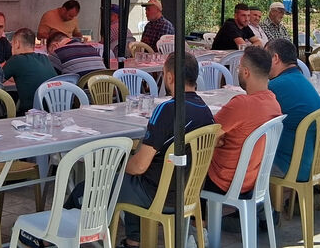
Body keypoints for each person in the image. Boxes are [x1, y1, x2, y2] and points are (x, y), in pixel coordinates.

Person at [113, 52, 215, 248]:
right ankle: (134, 240)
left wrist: (118, 166)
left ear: (169, 77)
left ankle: (60, 236)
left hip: (158, 194)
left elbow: (139, 166)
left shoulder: (168, 109)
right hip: (189, 192)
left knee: (94, 186)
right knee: (132, 177)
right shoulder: (205, 110)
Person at [205, 46, 281, 194]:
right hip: (253, 179)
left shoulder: (241, 104)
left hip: (223, 180)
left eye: (239, 68)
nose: (238, 71)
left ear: (246, 72)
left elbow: (206, 136)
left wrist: (217, 140)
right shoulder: (274, 103)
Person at [266, 38, 320, 179]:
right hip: (316, 160)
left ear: (275, 58)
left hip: (291, 165)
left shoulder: (275, 86)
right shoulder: (303, 81)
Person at [3, 28, 56, 115]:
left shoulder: (16, 60)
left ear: (17, 44)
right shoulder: (44, 58)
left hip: (31, 114)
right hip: (53, 110)